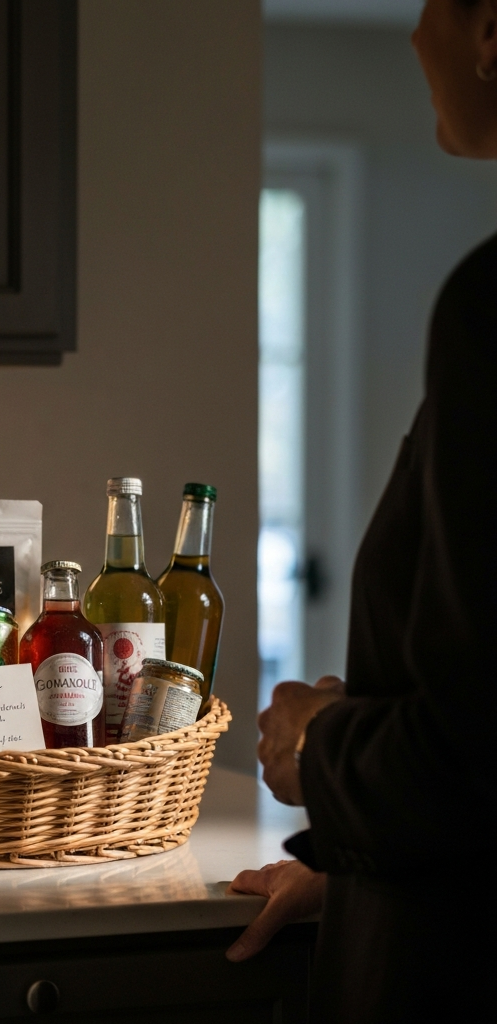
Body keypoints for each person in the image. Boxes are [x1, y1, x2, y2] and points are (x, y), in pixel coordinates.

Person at [225, 1, 497, 1021]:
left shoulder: (489, 308)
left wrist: (317, 742)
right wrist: (353, 859)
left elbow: (472, 759)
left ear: (489, 32)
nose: (413, 34)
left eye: (430, 4)